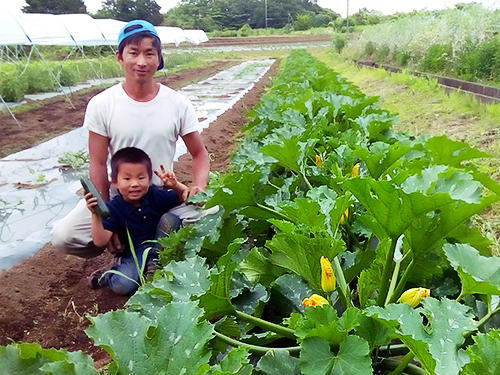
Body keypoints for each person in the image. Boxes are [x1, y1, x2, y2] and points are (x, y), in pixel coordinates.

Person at [51, 20, 210, 276]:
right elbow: (97, 162)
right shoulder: (102, 104)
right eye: (133, 52)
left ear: (159, 58)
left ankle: (160, 245)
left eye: (149, 53)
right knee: (63, 236)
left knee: (213, 213)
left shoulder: (177, 103)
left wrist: (198, 187)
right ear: (120, 57)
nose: (142, 61)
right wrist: (107, 216)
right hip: (119, 195)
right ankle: (125, 244)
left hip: (161, 196)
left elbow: (199, 154)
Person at [85, 147, 187, 295]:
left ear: (150, 179)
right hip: (134, 253)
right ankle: (108, 275)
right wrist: (95, 214)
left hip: (159, 245)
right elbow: (100, 242)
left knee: (170, 219)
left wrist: (175, 186)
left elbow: (185, 196)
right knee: (124, 286)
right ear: (115, 182)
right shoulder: (113, 208)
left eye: (140, 178)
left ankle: (153, 264)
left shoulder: (155, 195)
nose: (135, 184)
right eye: (127, 179)